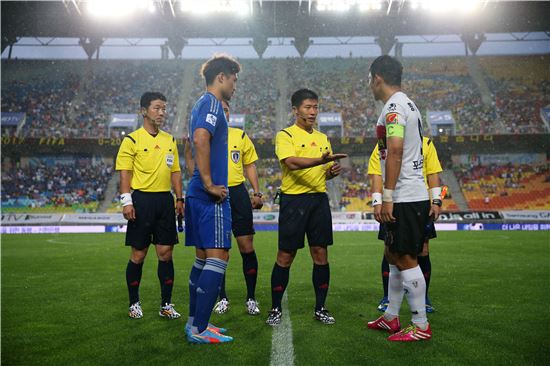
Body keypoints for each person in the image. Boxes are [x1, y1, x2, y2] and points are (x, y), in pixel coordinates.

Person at [266, 88, 347, 326]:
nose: (313, 112)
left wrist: (330, 172)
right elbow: (290, 163)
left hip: (318, 200)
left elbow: (321, 173)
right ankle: (275, 308)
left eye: (316, 107)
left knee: (320, 254)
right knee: (286, 255)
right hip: (294, 201)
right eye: (308, 107)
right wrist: (320, 161)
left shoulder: (323, 138)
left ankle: (320, 308)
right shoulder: (285, 135)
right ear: (295, 110)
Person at [365, 55, 433, 342]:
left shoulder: (394, 107)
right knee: (392, 255)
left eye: (370, 79)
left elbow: (394, 151)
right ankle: (392, 317)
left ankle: (420, 325)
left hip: (404, 195)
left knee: (404, 257)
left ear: (377, 77)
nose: (369, 84)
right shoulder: (406, 103)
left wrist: (387, 196)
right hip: (406, 192)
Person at [185, 100, 264, 316]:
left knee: (246, 247)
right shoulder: (203, 135)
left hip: (237, 192)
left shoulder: (239, 135)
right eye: (220, 110)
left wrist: (256, 192)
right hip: (214, 192)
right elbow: (192, 162)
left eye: (226, 110)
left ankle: (251, 297)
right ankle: (223, 298)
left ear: (229, 114)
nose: (224, 113)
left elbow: (249, 164)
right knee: (219, 250)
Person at [184, 54, 241, 344]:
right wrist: (209, 183)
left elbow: (193, 142)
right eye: (233, 79)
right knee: (219, 256)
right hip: (209, 195)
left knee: (204, 258)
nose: (235, 85)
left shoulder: (205, 104)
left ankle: (195, 322)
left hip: (197, 193)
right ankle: (199, 329)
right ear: (221, 77)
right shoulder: (210, 103)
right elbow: (199, 139)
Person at [115, 91, 184, 320]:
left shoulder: (170, 140)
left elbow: (175, 171)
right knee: (139, 254)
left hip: (165, 201)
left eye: (164, 108)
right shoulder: (131, 140)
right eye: (157, 108)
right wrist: (127, 201)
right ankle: (134, 303)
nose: (162, 112)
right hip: (142, 200)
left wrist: (179, 198)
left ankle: (166, 304)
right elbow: (125, 173)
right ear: (143, 110)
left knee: (166, 254)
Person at [368, 136, 443, 314]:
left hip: (419, 201)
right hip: (392, 202)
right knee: (390, 250)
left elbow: (432, 173)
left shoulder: (426, 143)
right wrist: (377, 201)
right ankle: (388, 297)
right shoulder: (383, 144)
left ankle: (423, 298)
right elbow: (376, 174)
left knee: (423, 249)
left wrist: (437, 201)